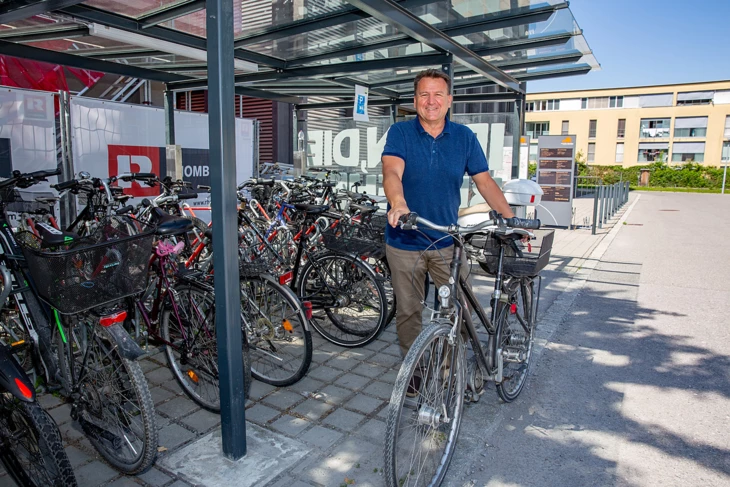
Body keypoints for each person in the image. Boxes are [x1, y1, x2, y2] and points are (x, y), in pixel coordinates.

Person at [382, 68, 516, 356]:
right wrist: (399, 203)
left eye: (438, 94)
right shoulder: (400, 132)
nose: (431, 101)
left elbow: (484, 182)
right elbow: (392, 171)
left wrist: (510, 219)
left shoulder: (464, 137)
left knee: (459, 309)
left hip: (447, 241)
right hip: (405, 241)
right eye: (424, 94)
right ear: (415, 99)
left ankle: (450, 369)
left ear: (449, 99)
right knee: (408, 312)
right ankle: (414, 370)